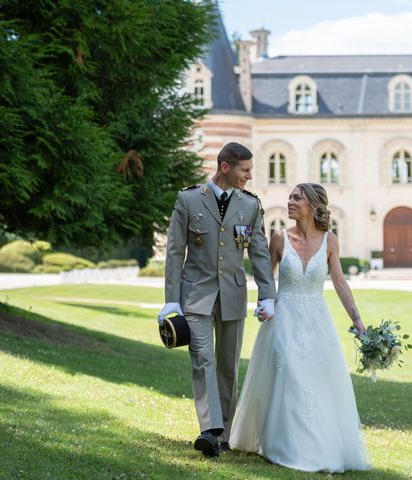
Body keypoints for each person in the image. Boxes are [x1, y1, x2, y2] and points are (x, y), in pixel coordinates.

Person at [229, 183, 371, 473]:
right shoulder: (279, 239)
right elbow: (266, 278)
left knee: (315, 381)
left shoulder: (330, 241)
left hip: (317, 321)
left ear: (314, 206)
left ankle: (315, 447)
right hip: (284, 318)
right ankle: (283, 446)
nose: (290, 201)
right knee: (289, 373)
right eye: (290, 197)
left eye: (297, 198)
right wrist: (264, 304)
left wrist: (357, 321)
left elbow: (340, 281)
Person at [158, 142, 276, 458]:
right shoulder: (188, 199)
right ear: (225, 167)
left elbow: (259, 252)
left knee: (227, 366)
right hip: (195, 294)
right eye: (245, 170)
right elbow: (174, 252)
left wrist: (268, 295)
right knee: (203, 360)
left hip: (233, 294)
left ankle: (223, 435)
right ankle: (210, 431)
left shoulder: (250, 205)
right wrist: (172, 301)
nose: (250, 176)